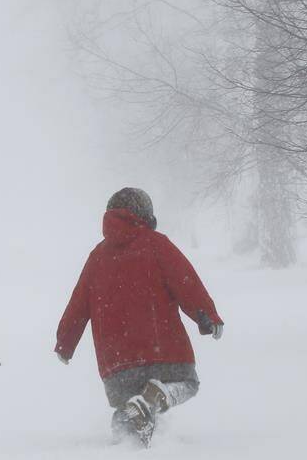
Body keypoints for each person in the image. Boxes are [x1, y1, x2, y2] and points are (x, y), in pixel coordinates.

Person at [54, 187, 224, 446]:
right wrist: (207, 315)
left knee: (128, 404)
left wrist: (65, 343)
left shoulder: (97, 257)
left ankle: (127, 437)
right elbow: (185, 282)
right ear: (145, 214)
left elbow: (77, 305)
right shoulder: (157, 245)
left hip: (116, 363)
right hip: (162, 351)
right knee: (187, 384)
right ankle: (157, 397)